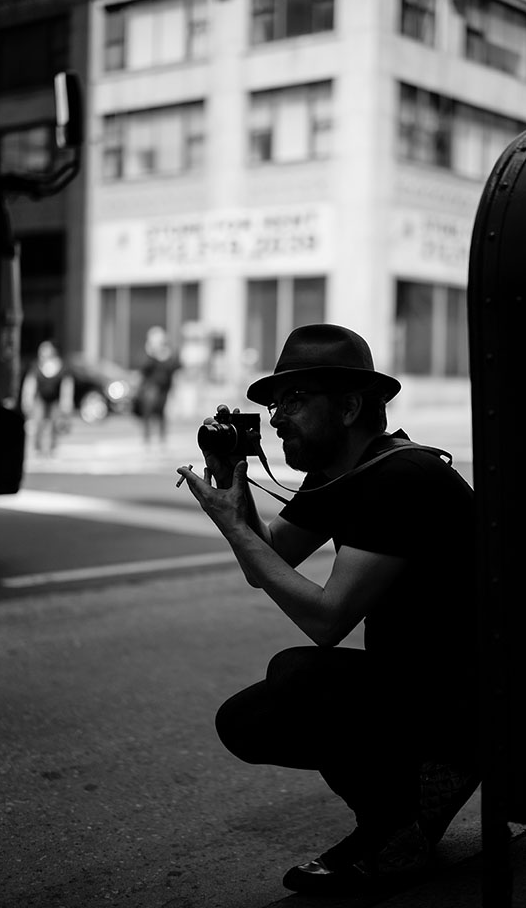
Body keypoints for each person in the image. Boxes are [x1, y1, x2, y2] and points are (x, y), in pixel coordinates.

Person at [178, 324, 479, 895]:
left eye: (295, 399)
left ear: (348, 407)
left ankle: (409, 812)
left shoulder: (399, 479)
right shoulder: (347, 471)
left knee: (296, 682)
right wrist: (230, 480)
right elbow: (268, 559)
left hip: (467, 696)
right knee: (279, 686)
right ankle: (401, 816)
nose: (276, 417)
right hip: (419, 682)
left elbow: (326, 620)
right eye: (274, 402)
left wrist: (229, 525)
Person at [20, 340, 74, 457]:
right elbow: (30, 383)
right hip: (41, 398)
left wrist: (66, 401)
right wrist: (27, 398)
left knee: (55, 423)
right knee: (38, 422)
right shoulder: (36, 365)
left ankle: (52, 448)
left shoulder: (61, 366)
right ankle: (37, 449)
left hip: (55, 399)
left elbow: (67, 385)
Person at [134, 326, 180, 445]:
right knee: (148, 412)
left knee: (161, 413)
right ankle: (147, 437)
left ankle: (161, 438)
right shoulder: (149, 354)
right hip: (152, 388)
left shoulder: (168, 354)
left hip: (164, 389)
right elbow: (143, 370)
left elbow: (174, 367)